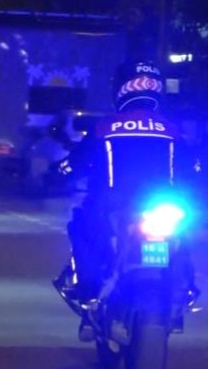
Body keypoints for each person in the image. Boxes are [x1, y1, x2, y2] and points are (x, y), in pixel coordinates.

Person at [54, 61, 199, 308]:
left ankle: (88, 289)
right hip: (165, 205)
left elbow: (74, 165)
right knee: (183, 235)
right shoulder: (171, 130)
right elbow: (194, 170)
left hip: (110, 204)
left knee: (81, 227)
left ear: (120, 89)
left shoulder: (105, 128)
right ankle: (186, 287)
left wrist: (57, 175)